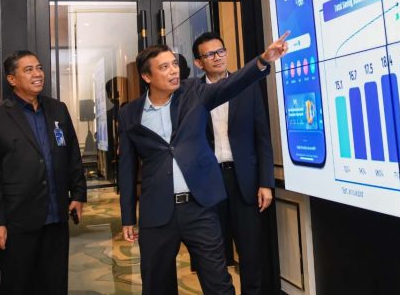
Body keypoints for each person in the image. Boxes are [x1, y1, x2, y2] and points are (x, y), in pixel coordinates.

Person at [118, 33, 289, 295]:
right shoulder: (129, 113)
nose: (174, 71)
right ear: (147, 76)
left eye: (174, 64)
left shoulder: (194, 93)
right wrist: (128, 217)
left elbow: (231, 85)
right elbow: (127, 169)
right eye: (164, 67)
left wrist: (264, 60)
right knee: (156, 285)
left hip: (198, 208)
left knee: (218, 284)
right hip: (157, 212)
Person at [0, 51, 87, 295]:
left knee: (55, 285)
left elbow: (71, 155)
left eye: (39, 68)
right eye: (28, 70)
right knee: (18, 286)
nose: (38, 74)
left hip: (56, 218)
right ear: (12, 79)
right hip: (17, 223)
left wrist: (78, 193)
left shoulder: (58, 110)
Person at [192, 32, 274, 294]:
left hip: (244, 180)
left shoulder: (247, 85)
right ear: (198, 63)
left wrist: (266, 182)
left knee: (251, 251)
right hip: (209, 183)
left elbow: (262, 137)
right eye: (210, 54)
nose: (217, 57)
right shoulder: (192, 93)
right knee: (212, 253)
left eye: (221, 51)